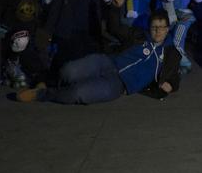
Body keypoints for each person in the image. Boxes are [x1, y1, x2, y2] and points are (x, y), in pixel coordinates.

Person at [16, 10, 181, 104]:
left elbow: (175, 74)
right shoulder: (138, 35)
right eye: (154, 27)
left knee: (78, 93)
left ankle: (41, 94)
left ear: (168, 29)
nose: (158, 31)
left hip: (119, 84)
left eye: (161, 27)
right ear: (149, 28)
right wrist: (114, 7)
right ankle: (47, 81)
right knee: (69, 71)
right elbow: (115, 27)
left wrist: (171, 85)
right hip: (107, 63)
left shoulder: (170, 53)